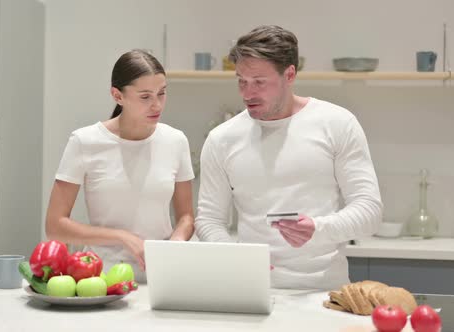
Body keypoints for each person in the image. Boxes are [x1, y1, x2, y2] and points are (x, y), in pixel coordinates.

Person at [194, 26, 382, 290]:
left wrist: (318, 228)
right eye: (241, 81)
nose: (247, 93)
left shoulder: (337, 123)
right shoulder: (222, 139)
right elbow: (209, 219)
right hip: (251, 290)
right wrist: (234, 258)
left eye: (259, 82)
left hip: (324, 291)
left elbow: (369, 212)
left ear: (290, 74)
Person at [45, 49, 195, 282]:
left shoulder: (176, 141)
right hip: (99, 278)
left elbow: (186, 216)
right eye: (145, 97)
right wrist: (121, 237)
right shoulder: (84, 141)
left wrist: (177, 241)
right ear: (117, 95)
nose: (157, 105)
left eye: (162, 93)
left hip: (161, 276)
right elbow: (55, 226)